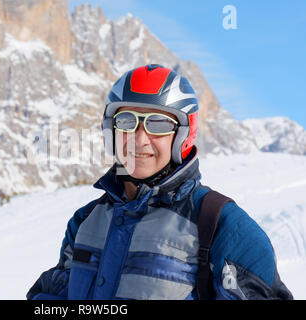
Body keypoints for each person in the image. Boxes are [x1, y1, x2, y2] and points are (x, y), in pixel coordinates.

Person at [26, 64, 293, 300]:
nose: (140, 139)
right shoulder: (85, 221)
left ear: (182, 135)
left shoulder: (220, 225)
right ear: (111, 130)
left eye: (158, 124)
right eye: (127, 121)